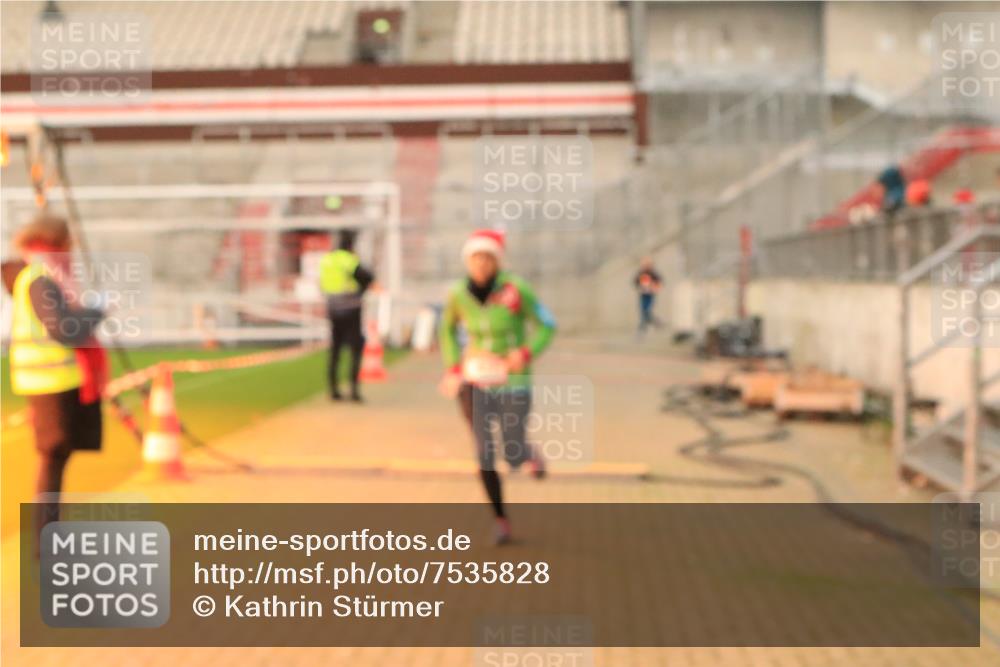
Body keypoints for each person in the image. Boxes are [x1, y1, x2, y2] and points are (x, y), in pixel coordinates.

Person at [438, 229, 556, 545]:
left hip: (512, 379)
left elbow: (547, 324)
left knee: (512, 448)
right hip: (475, 379)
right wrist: (453, 366)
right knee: (484, 453)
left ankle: (526, 453)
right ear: (467, 261)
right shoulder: (457, 294)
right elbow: (446, 330)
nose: (481, 263)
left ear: (497, 260)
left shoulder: (517, 290)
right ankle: (500, 519)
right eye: (475, 257)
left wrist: (525, 353)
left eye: (487, 257)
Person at [4, 214, 107, 549]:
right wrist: (95, 312)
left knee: (55, 458)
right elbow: (63, 329)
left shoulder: (38, 275)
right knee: (52, 458)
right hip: (50, 382)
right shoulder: (41, 278)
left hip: (49, 380)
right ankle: (45, 538)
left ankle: (48, 533)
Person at [318, 229, 374, 402]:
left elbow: (322, 283)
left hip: (333, 309)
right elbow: (367, 277)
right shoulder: (349, 260)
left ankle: (333, 389)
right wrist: (360, 291)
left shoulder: (327, 260)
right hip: (351, 308)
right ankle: (354, 390)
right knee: (355, 349)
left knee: (335, 350)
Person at [633, 257, 663, 335]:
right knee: (643, 310)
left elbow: (659, 282)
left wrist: (654, 287)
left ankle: (647, 324)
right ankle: (649, 324)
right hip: (643, 294)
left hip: (650, 294)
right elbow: (636, 282)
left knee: (647, 310)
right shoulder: (641, 273)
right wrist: (639, 287)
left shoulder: (653, 274)